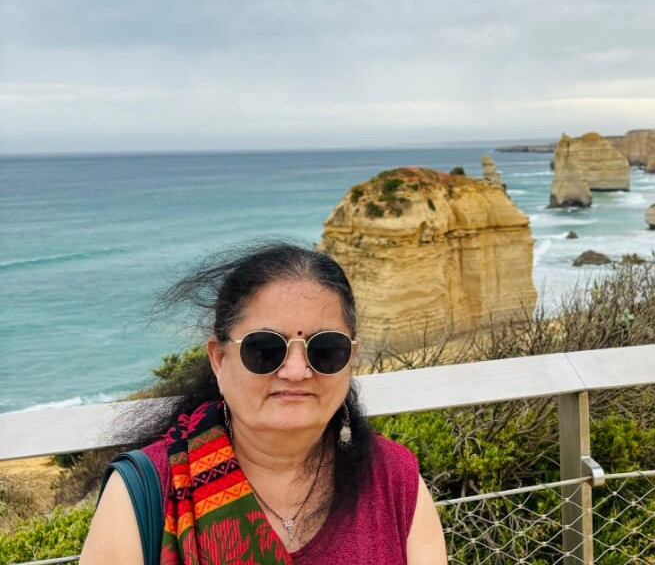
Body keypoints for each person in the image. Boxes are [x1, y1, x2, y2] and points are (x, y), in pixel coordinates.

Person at [80, 242, 448, 564]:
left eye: (325, 349)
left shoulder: (394, 480)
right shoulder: (148, 492)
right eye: (266, 349)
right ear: (219, 359)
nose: (296, 371)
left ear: (351, 358)